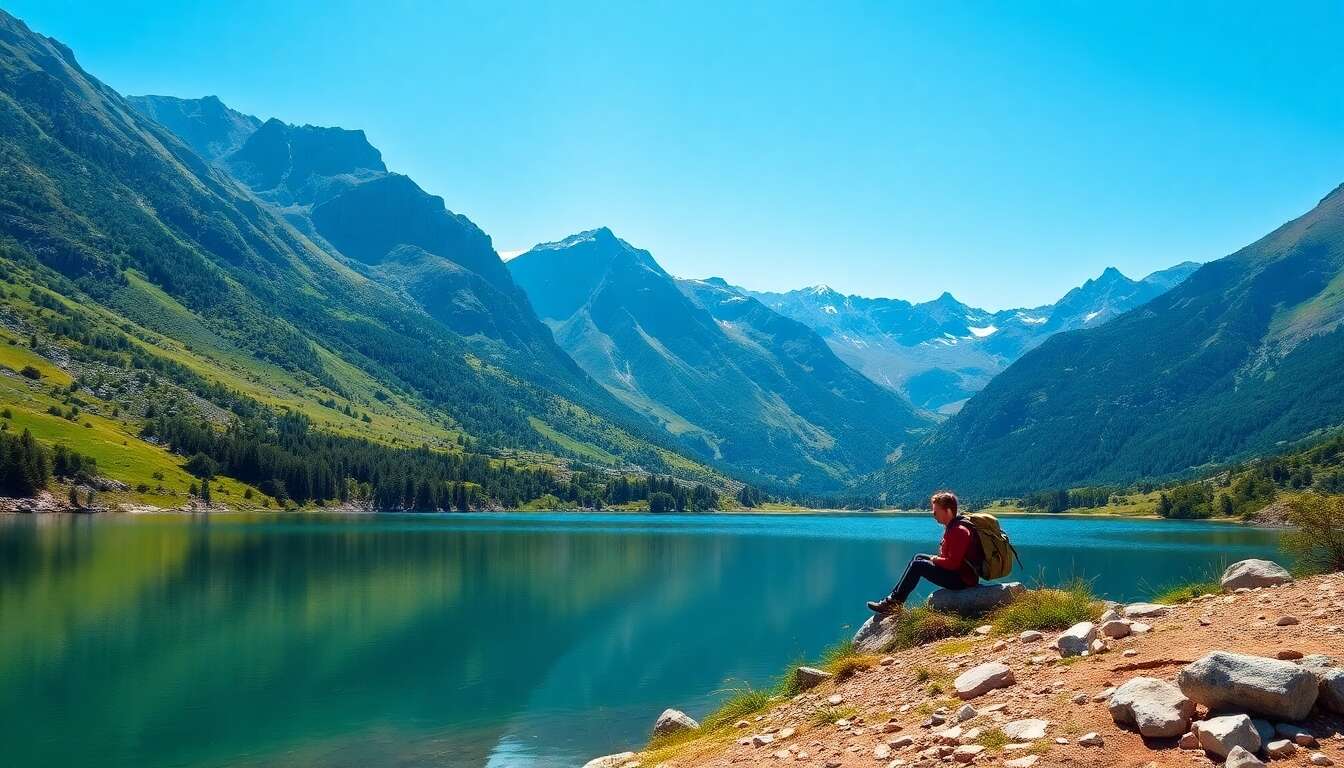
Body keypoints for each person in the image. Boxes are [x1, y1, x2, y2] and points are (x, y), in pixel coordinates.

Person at [866, 491, 979, 615]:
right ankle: (894, 599)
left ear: (948, 511)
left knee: (918, 565)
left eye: (936, 511)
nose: (933, 514)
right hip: (956, 573)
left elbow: (953, 564)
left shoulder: (959, 531)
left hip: (961, 580)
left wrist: (934, 559)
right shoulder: (952, 526)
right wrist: (934, 558)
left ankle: (893, 603)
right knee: (918, 557)